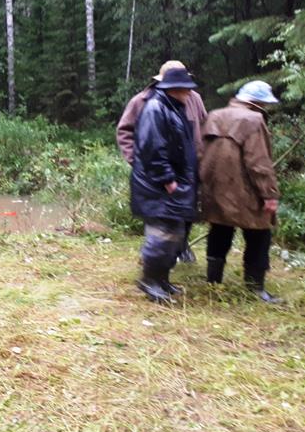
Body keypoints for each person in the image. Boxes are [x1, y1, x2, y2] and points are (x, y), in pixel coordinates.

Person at [117, 60, 207, 263]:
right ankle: (154, 260)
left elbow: (204, 125)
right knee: (161, 216)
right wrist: (138, 160)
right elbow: (125, 131)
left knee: (187, 210)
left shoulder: (195, 98)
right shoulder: (143, 101)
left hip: (190, 167)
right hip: (160, 170)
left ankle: (181, 246)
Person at [200, 81, 283, 303]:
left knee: (219, 230)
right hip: (246, 190)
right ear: (258, 103)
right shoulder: (254, 120)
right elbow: (258, 162)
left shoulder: (215, 115)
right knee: (259, 234)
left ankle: (213, 282)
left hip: (214, 187)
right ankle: (256, 288)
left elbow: (200, 151)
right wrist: (269, 194)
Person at [129, 66, 199, 303]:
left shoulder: (172, 107)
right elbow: (153, 149)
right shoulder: (156, 108)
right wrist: (168, 180)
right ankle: (150, 281)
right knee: (161, 235)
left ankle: (162, 280)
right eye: (186, 89)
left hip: (168, 184)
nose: (190, 93)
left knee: (175, 233)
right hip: (157, 186)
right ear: (175, 89)